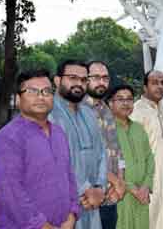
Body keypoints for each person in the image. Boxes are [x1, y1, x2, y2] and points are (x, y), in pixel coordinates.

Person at [0, 69, 79, 229]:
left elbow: (69, 177)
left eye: (47, 91)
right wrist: (42, 226)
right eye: (32, 91)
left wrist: (72, 213)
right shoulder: (7, 139)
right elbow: (10, 192)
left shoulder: (58, 134)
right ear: (18, 99)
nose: (41, 96)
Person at [50, 60, 107, 229]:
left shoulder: (89, 113)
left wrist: (99, 187)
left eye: (83, 80)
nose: (79, 84)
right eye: (73, 78)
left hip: (92, 202)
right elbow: (54, 162)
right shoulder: (48, 115)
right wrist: (85, 189)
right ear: (57, 81)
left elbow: (101, 153)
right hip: (63, 203)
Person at [130, 70, 163, 229]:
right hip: (146, 180)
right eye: (155, 83)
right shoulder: (137, 111)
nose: (160, 86)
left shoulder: (162, 110)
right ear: (145, 87)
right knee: (147, 219)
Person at [107, 84, 155, 229]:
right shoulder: (107, 130)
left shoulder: (138, 128)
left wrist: (146, 185)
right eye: (120, 99)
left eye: (129, 99)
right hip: (121, 195)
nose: (126, 103)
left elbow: (149, 158)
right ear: (110, 103)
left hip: (142, 195)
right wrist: (132, 189)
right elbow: (106, 164)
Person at [85, 61, 126, 229]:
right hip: (90, 196)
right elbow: (89, 156)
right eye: (96, 77)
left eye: (105, 78)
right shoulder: (78, 111)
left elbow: (117, 150)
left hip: (112, 196)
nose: (101, 82)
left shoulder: (106, 109)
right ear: (84, 79)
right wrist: (116, 182)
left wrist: (121, 182)